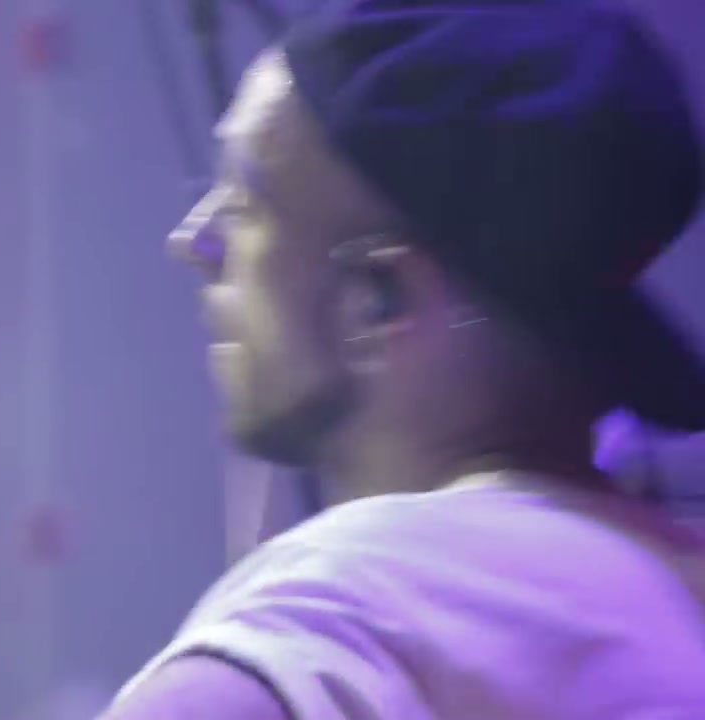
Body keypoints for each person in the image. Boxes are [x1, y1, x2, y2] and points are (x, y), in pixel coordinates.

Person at [104, 1, 705, 718]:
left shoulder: (333, 630)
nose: (195, 240)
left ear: (381, 299)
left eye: (245, 201)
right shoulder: (676, 596)